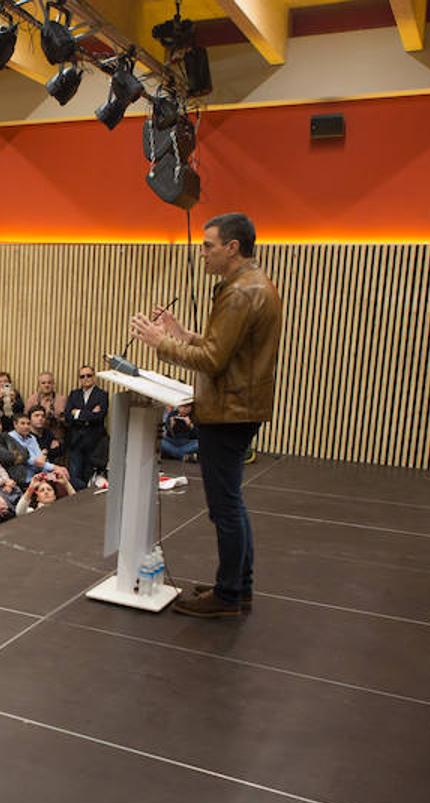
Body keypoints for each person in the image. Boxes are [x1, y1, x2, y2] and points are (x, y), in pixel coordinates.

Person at [130, 212, 283, 619]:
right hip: (240, 407)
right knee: (232, 503)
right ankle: (238, 586)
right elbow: (226, 349)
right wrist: (183, 334)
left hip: (227, 412)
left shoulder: (238, 293)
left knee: (225, 507)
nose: (202, 254)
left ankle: (229, 595)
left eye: (208, 245)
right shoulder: (253, 285)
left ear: (232, 247)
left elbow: (214, 360)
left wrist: (161, 343)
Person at [63, 365, 109, 489]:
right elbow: (67, 415)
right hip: (75, 441)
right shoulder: (74, 394)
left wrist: (77, 413)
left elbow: (99, 416)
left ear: (94, 377)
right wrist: (90, 414)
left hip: (94, 442)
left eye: (89, 375)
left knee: (89, 477)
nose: (86, 378)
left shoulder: (102, 394)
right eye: (82, 376)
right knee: (74, 476)